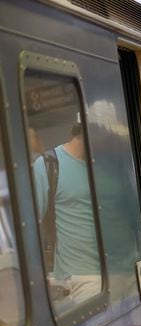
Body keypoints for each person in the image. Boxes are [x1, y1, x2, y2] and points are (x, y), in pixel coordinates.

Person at [32, 123, 102, 306]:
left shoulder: (103, 164)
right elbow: (30, 222)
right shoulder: (48, 165)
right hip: (70, 278)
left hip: (106, 274)